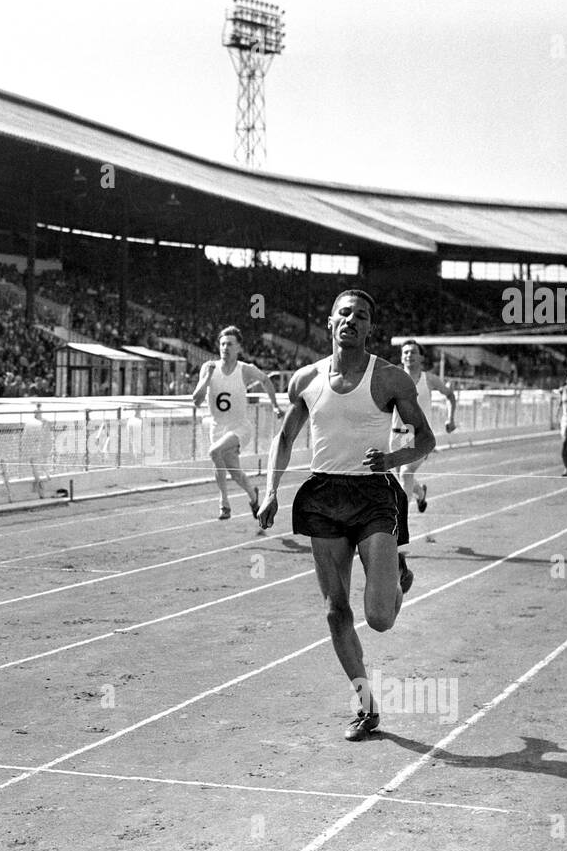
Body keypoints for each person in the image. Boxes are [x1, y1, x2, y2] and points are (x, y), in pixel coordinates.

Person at [258, 290, 435, 741]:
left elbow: (426, 441)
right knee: (336, 611)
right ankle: (367, 705)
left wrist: (394, 459)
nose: (351, 320)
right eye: (344, 313)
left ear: (371, 328)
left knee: (378, 618)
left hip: (373, 494)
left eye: (361, 316)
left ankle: (396, 579)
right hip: (323, 493)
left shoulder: (390, 378)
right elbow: (284, 438)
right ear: (331, 320)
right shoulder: (306, 379)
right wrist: (270, 491)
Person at [191, 326, 283, 520]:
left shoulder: (245, 369)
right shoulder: (208, 368)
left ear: (238, 347)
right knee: (234, 472)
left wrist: (275, 405)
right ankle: (253, 496)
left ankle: (224, 503)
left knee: (214, 452)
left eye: (230, 344)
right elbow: (197, 400)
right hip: (217, 428)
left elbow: (266, 380)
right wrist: (206, 377)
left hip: (240, 427)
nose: (225, 348)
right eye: (222, 344)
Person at [390, 339, 457, 513]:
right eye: (405, 352)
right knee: (401, 476)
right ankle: (420, 493)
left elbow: (450, 396)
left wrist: (451, 419)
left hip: (421, 436)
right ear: (401, 357)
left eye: (413, 352)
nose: (409, 355)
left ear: (421, 358)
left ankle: (400, 520)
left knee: (405, 473)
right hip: (398, 433)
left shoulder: (430, 379)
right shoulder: (394, 377)